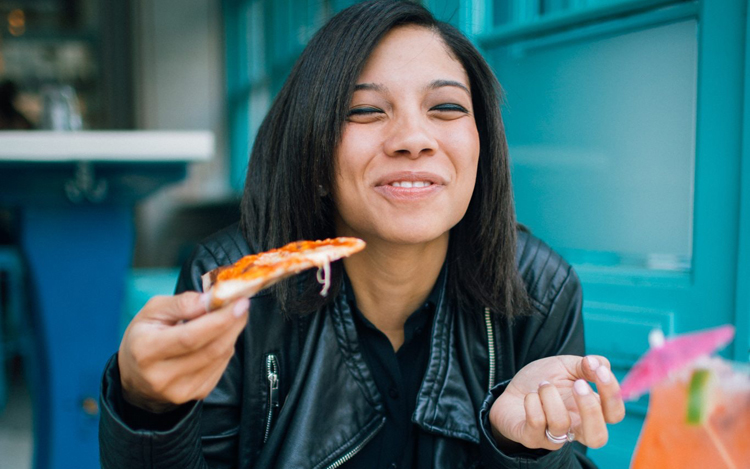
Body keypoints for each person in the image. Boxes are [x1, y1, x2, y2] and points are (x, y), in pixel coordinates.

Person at [99, 1, 625, 467]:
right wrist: (147, 408)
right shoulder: (238, 283)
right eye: (366, 111)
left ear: (481, 145)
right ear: (315, 154)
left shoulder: (541, 288)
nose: (413, 140)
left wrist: (526, 450)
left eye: (445, 107)